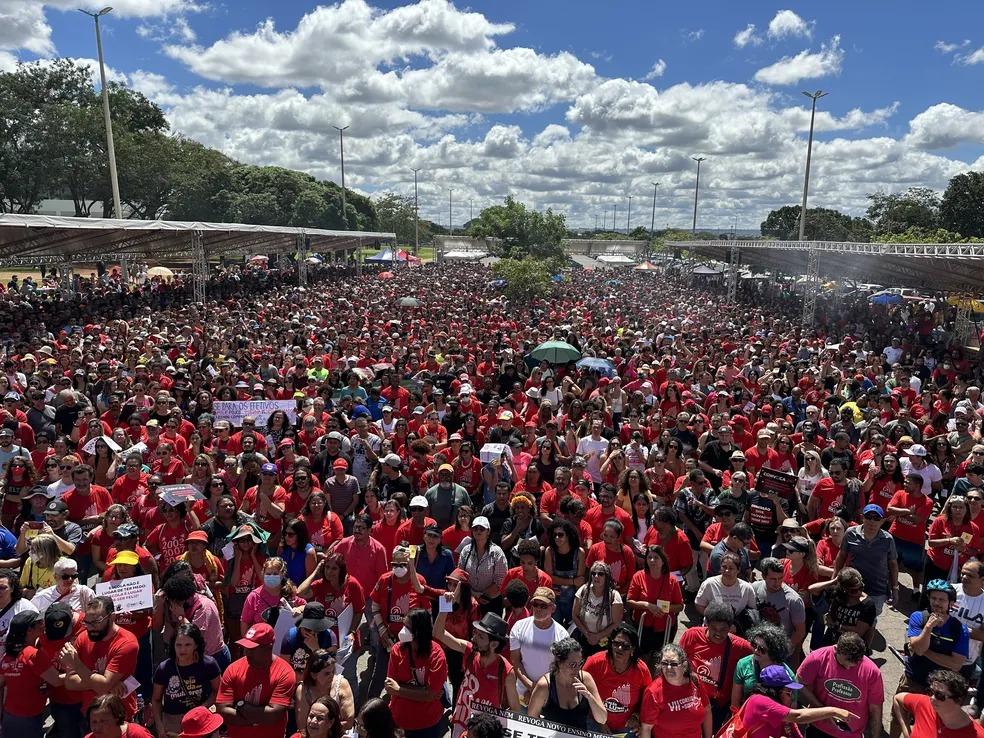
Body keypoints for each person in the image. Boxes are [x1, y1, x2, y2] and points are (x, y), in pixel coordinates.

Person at [434, 609, 518, 738]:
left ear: (494, 644)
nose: (474, 638)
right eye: (476, 633)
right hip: (460, 723)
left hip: (482, 732)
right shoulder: (469, 651)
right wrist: (445, 606)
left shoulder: (506, 671)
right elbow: (438, 633)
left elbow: (515, 709)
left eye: (480, 636)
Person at [60, 596, 140, 719]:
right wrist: (106, 684)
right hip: (91, 714)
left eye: (96, 622)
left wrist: (77, 664)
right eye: (87, 622)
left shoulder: (127, 643)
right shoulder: (83, 638)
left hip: (118, 716)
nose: (90, 628)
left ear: (112, 617)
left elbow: (102, 687)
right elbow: (70, 683)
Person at [898, 579, 970, 712]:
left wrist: (924, 651)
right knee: (898, 716)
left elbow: (956, 664)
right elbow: (918, 650)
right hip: (913, 679)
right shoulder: (918, 617)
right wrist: (928, 627)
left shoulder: (960, 629)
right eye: (933, 598)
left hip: (940, 689)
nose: (936, 603)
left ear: (951, 603)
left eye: (942, 600)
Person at [215, 622, 297, 738]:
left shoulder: (284, 673)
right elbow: (223, 711)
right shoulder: (233, 669)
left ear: (268, 648)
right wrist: (257, 719)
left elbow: (273, 716)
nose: (247, 653)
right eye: (245, 648)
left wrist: (241, 707)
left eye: (252, 649)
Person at [679, 601, 752, 730]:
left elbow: (760, 655)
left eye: (723, 629)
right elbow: (677, 661)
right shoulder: (691, 635)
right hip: (690, 700)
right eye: (714, 628)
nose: (718, 633)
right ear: (706, 624)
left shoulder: (741, 646)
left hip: (717, 707)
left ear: (731, 628)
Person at [797, 633, 885, 738]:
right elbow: (800, 683)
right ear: (836, 649)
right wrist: (824, 711)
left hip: (851, 734)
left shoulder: (872, 672)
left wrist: (875, 735)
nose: (847, 668)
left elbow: (875, 708)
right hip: (818, 727)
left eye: (853, 666)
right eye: (843, 664)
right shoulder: (817, 658)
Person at [739, 665, 860, 738]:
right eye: (789, 692)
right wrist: (834, 711)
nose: (792, 697)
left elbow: (794, 731)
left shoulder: (781, 709)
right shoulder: (760, 701)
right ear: (777, 691)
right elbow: (798, 716)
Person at [384, 608, 448, 738]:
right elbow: (390, 686)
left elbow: (431, 694)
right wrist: (423, 692)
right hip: (400, 720)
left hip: (428, 724)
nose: (403, 630)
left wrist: (400, 690)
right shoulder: (397, 649)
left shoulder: (436, 655)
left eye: (407, 627)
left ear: (419, 631)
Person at [151, 623, 221, 737]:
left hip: (201, 720)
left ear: (196, 645)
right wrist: (160, 727)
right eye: (178, 645)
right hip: (173, 722)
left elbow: (217, 690)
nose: (182, 649)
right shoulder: (164, 668)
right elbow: (156, 699)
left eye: (188, 644)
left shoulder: (209, 664)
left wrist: (204, 707)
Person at [0, 610, 62, 738]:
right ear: (29, 630)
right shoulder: (34, 655)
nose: (43, 624)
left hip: (9, 716)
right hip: (30, 718)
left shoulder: (7, 656)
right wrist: (75, 668)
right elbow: (57, 681)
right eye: (39, 622)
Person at [583, 623, 653, 734]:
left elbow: (648, 700)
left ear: (633, 649)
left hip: (627, 726)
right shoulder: (595, 663)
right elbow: (581, 694)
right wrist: (600, 722)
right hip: (595, 722)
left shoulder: (641, 670)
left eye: (625, 646)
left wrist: (637, 717)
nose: (619, 648)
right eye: (616, 643)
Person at [527, 637, 608, 730]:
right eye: (572, 665)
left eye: (580, 664)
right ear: (559, 663)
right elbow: (531, 721)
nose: (577, 669)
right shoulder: (545, 686)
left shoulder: (585, 679)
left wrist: (589, 696)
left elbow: (602, 719)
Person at [509, 586, 569, 704]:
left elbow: (561, 669)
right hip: (522, 692)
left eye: (543, 606)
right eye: (535, 604)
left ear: (553, 608)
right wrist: (531, 686)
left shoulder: (563, 636)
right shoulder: (519, 627)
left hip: (549, 695)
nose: (538, 609)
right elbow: (515, 661)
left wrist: (540, 690)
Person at [834, 504, 899, 614]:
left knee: (870, 620)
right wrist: (835, 580)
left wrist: (895, 588)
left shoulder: (888, 539)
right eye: (868, 517)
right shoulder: (850, 533)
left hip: (877, 589)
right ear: (862, 518)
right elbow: (841, 557)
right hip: (853, 585)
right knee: (851, 617)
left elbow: (893, 564)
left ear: (882, 521)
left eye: (876, 518)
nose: (872, 522)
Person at [639, 643, 711, 738]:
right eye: (664, 663)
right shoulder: (653, 692)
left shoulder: (695, 681)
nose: (669, 668)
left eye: (673, 664)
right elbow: (646, 728)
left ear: (684, 665)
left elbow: (707, 710)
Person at [893, 670, 984, 738]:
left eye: (939, 695)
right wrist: (907, 732)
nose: (932, 698)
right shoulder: (924, 704)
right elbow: (897, 699)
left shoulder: (977, 735)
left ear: (958, 699)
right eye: (931, 692)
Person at [752, 557, 807, 658]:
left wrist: (785, 649)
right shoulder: (755, 588)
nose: (777, 582)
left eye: (780, 578)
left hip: (780, 653)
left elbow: (800, 631)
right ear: (764, 576)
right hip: (757, 647)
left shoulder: (793, 600)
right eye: (773, 579)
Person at [731, 623, 795, 707]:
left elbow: (792, 706)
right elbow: (735, 702)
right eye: (754, 645)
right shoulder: (743, 664)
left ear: (773, 651)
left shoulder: (787, 675)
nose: (756, 650)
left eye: (762, 649)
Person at [295, 648, 355, 733]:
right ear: (314, 675)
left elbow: (349, 722)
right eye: (326, 673)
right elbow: (302, 727)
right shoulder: (303, 690)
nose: (331, 676)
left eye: (333, 671)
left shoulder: (342, 684)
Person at [572, 561, 624, 656]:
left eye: (600, 574)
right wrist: (587, 634)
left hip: (604, 641)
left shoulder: (614, 596)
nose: (596, 576)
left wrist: (598, 636)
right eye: (593, 573)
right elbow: (575, 615)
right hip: (584, 637)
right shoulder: (583, 590)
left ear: (606, 577)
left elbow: (616, 623)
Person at [84, 694, 154, 738]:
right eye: (94, 722)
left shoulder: (137, 734)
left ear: (117, 717)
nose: (97, 727)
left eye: (103, 721)